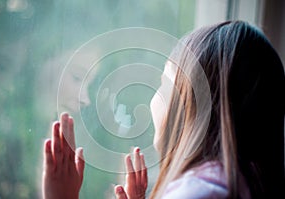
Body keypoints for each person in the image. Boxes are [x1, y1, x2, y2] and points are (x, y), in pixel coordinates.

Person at [42, 20, 285, 199]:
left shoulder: (201, 191)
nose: (152, 101)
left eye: (161, 84)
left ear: (188, 106)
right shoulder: (245, 180)